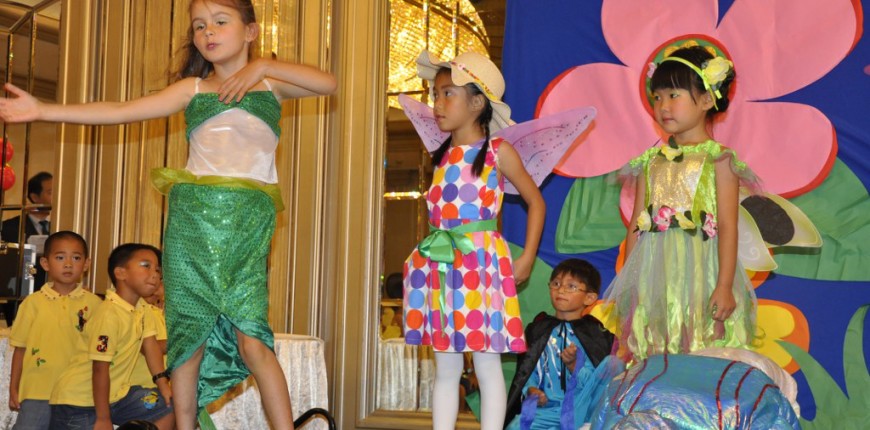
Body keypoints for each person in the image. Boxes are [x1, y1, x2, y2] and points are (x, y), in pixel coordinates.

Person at [0, 1, 337, 429]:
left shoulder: (272, 85)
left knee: (253, 339)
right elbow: (121, 110)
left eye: (220, 22)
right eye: (199, 26)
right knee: (189, 338)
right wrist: (44, 110)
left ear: (250, 31)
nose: (208, 32)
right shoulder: (193, 89)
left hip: (246, 225)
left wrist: (263, 66)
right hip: (192, 224)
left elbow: (328, 83)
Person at [402, 50, 545, 430]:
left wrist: (527, 257)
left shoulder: (498, 152)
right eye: (435, 94)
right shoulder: (441, 156)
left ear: (478, 102)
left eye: (448, 93)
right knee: (447, 366)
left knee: (486, 362)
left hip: (480, 265)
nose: (437, 103)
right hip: (442, 264)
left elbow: (536, 201)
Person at [603, 44, 757, 363]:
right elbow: (637, 225)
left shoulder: (719, 160)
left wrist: (724, 285)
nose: (663, 106)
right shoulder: (650, 161)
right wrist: (630, 282)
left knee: (701, 344)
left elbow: (728, 226)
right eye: (657, 97)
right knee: (653, 344)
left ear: (706, 100)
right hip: (654, 275)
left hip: (701, 273)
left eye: (674, 95)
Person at [48, 243, 173, 430]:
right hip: (79, 403)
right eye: (146, 266)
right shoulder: (109, 314)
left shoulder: (142, 309)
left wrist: (164, 386)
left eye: (157, 269)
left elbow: (151, 347)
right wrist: (103, 418)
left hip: (117, 397)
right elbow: (100, 369)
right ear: (120, 273)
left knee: (172, 404)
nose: (155, 274)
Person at [504, 259, 618, 430]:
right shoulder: (538, 329)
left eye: (571, 286)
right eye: (556, 283)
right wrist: (531, 390)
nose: (561, 290)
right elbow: (527, 372)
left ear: (590, 298)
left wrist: (574, 365)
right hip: (543, 412)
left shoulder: (595, 334)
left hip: (580, 413)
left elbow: (596, 385)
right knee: (515, 426)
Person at [7, 231, 103, 430]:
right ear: (45, 263)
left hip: (79, 394)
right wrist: (14, 388)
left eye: (76, 258)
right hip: (36, 391)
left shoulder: (96, 305)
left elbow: (101, 354)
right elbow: (20, 349)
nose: (68, 264)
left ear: (86, 264)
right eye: (60, 258)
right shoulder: (32, 303)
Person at [1, 172, 52, 326]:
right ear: (35, 197)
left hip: (54, 297)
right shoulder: (10, 228)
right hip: (20, 299)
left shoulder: (62, 224)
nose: (56, 196)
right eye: (50, 192)